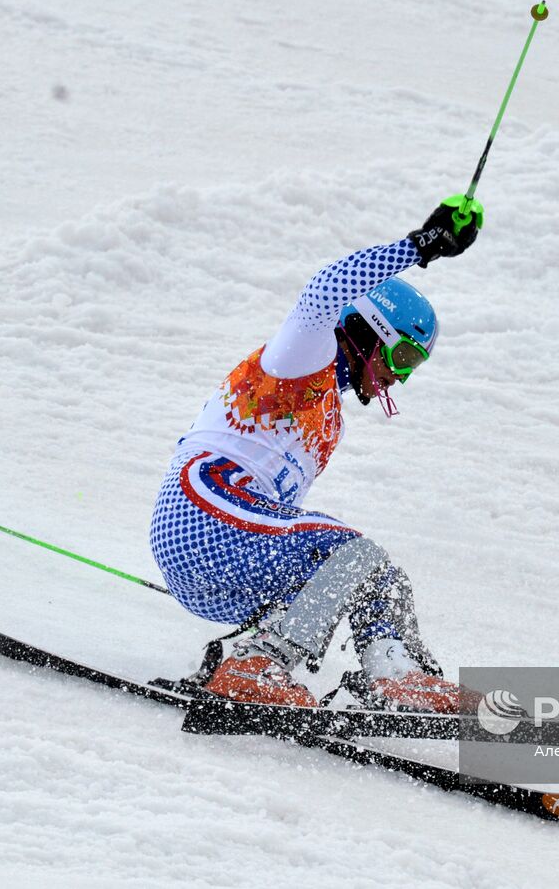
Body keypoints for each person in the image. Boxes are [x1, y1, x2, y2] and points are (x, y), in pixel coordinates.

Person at [149, 197, 482, 713]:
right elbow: (325, 289)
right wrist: (422, 245)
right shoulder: (305, 354)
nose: (402, 375)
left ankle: (395, 673)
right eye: (404, 356)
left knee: (373, 572)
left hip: (223, 565)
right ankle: (264, 666)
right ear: (373, 332)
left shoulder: (331, 416)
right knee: (349, 550)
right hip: (199, 509)